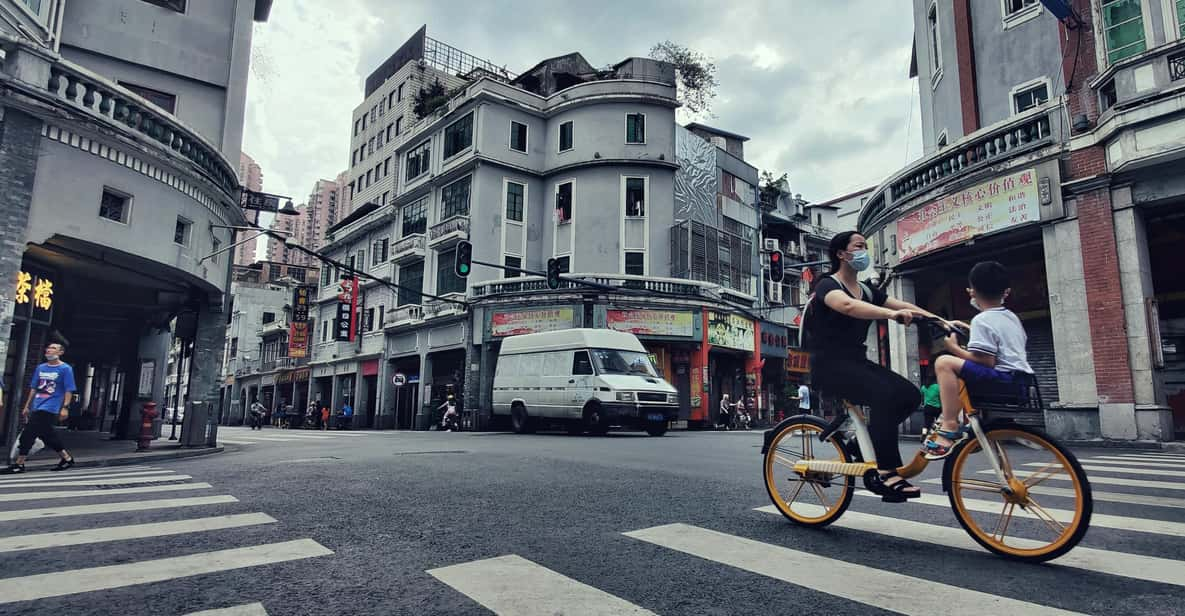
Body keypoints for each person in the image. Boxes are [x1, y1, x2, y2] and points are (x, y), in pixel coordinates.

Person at [806, 231, 944, 502]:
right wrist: (891, 315)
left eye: (865, 247)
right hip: (829, 366)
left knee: (909, 395)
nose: (863, 251)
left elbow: (902, 304)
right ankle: (886, 472)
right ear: (841, 254)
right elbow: (847, 306)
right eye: (858, 246)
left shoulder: (867, 290)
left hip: (857, 362)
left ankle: (863, 441)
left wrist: (939, 320)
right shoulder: (826, 285)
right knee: (883, 395)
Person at [925, 261, 1034, 460]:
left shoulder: (982, 320)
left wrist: (954, 349)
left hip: (1002, 381)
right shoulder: (1011, 317)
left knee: (944, 362)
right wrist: (968, 335)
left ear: (971, 291)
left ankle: (949, 424)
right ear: (1006, 292)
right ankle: (976, 430)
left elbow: (985, 362)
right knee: (960, 368)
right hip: (1021, 382)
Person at [3, 343, 77, 474]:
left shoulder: (65, 369)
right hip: (37, 405)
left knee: (28, 433)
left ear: (61, 352)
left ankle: (19, 464)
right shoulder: (40, 368)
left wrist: (65, 407)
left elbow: (68, 390)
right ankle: (67, 458)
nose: (49, 350)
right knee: (47, 435)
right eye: (48, 348)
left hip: (50, 407)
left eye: (53, 348)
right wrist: (27, 406)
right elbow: (33, 388)